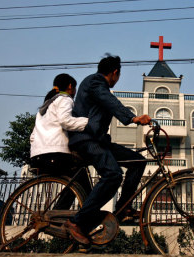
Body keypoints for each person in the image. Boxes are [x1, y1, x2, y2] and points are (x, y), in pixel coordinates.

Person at [64, 55, 151, 245]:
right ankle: (76, 222)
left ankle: (123, 209)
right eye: (117, 76)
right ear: (115, 73)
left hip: (99, 140)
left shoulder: (97, 85)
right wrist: (133, 118)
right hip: (86, 139)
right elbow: (109, 100)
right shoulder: (95, 82)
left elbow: (108, 102)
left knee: (138, 161)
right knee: (113, 174)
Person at [30, 73, 88, 176]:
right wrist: (89, 122)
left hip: (37, 156)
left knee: (72, 185)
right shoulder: (65, 99)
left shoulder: (43, 108)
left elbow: (32, 137)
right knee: (81, 177)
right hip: (57, 154)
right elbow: (65, 121)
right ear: (70, 86)